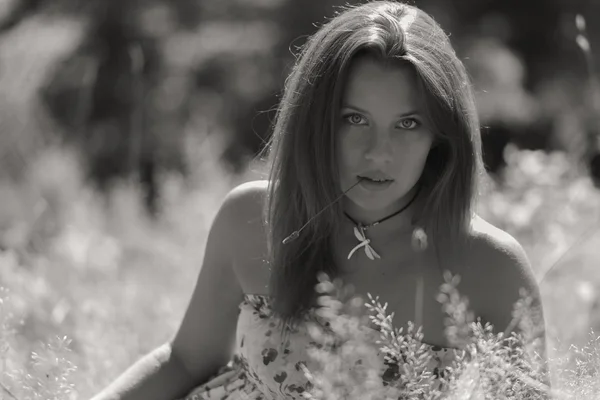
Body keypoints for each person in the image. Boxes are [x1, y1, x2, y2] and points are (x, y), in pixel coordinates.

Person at [90, 1, 547, 399]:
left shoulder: (492, 267)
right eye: (354, 119)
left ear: (441, 138)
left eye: (408, 124)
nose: (377, 152)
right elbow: (187, 360)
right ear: (314, 122)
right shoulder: (252, 218)